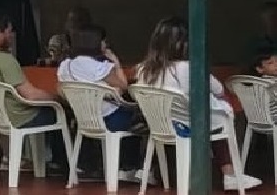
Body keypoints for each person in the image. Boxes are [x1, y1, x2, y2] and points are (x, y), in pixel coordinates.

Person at [136, 16, 261, 191]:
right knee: (223, 116)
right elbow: (218, 89)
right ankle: (229, 172)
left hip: (162, 125)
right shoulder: (190, 68)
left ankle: (152, 170)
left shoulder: (143, 69)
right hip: (192, 125)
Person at [0, 8, 69, 175]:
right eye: (9, 31)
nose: (12, 35)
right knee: (60, 112)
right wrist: (58, 98)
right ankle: (62, 163)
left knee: (52, 108)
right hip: (21, 116)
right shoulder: (5, 60)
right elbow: (30, 95)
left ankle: (40, 160)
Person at [56, 25, 144, 184]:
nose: (105, 44)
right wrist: (116, 63)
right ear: (95, 43)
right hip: (109, 120)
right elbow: (124, 86)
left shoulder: (66, 66)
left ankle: (92, 165)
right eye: (103, 41)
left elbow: (61, 90)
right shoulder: (100, 67)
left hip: (84, 120)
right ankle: (128, 167)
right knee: (139, 117)